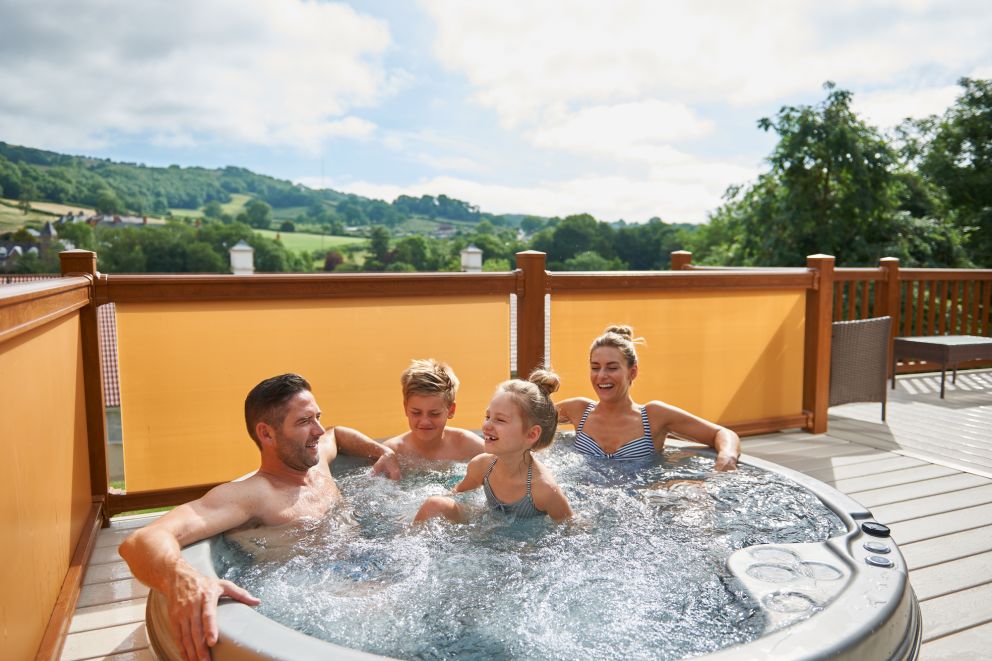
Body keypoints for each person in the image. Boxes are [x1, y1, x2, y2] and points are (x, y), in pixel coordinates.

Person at [118, 374, 400, 661]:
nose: (316, 430)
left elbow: (336, 433)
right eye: (304, 422)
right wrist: (181, 578)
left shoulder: (318, 466)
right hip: (322, 599)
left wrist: (382, 451)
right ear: (266, 434)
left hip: (367, 566)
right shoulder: (253, 495)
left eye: (317, 417)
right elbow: (141, 540)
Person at [557, 325, 740, 470]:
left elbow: (722, 433)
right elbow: (529, 418)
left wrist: (727, 457)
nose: (602, 375)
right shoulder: (578, 410)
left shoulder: (653, 416)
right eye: (595, 367)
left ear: (632, 371)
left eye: (612, 368)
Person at [414, 369, 573, 523]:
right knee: (434, 505)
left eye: (500, 420)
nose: (487, 425)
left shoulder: (543, 490)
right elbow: (455, 495)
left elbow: (571, 529)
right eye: (488, 416)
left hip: (523, 545)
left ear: (531, 434)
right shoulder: (482, 465)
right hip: (489, 523)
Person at [382, 358, 484, 461]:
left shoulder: (470, 447)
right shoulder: (391, 453)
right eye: (416, 413)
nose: (424, 422)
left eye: (434, 414)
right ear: (405, 408)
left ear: (451, 410)